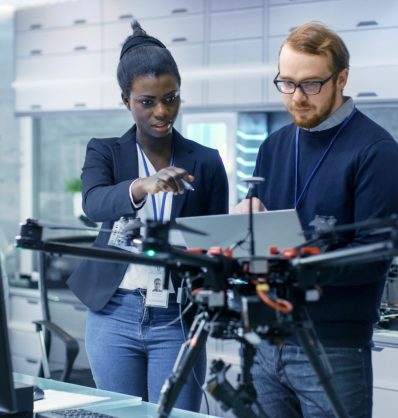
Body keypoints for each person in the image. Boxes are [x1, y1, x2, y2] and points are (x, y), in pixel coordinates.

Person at [234, 22, 398, 418]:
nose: (296, 97)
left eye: (310, 84)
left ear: (341, 78)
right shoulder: (273, 146)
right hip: (263, 339)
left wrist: (294, 259)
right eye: (287, 83)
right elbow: (261, 233)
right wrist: (245, 219)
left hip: (333, 346)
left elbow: (374, 256)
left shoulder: (377, 151)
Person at [67, 20, 228, 412]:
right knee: (118, 413)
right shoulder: (104, 152)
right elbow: (95, 202)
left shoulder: (205, 162)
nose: (162, 111)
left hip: (177, 315)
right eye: (147, 101)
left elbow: (214, 244)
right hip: (113, 314)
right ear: (126, 100)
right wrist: (144, 186)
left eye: (171, 98)